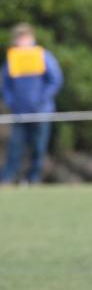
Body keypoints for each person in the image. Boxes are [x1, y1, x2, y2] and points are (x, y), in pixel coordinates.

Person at [1, 23, 63, 184]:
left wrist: (42, 99)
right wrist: (11, 102)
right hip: (19, 113)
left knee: (38, 148)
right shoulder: (12, 59)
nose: (22, 41)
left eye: (25, 37)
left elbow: (55, 80)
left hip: (41, 111)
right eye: (19, 38)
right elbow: (5, 85)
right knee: (15, 147)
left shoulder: (43, 56)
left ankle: (33, 178)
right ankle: (7, 179)